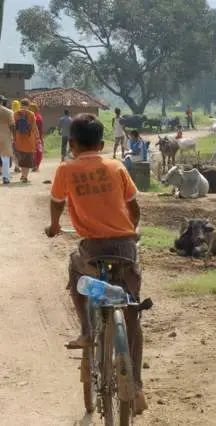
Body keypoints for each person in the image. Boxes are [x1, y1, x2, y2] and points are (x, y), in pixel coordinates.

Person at [44, 113, 147, 414]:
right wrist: (132, 230)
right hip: (126, 248)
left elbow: (56, 201)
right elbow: (134, 207)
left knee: (76, 269)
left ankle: (88, 330)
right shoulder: (116, 166)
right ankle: (137, 387)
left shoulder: (66, 168)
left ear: (72, 143)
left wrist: (53, 226)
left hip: (92, 250)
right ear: (102, 144)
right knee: (132, 313)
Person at [12, 99, 37, 183]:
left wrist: (14, 137)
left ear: (21, 104)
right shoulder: (31, 114)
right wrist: (37, 138)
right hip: (29, 140)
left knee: (21, 158)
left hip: (19, 140)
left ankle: (22, 175)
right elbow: (33, 127)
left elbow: (14, 127)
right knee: (28, 158)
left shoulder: (15, 114)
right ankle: (25, 176)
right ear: (28, 105)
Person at [0, 96, 14, 184]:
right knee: (5, 158)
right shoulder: (9, 112)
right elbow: (12, 125)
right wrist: (14, 136)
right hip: (5, 135)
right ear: (1, 101)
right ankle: (5, 177)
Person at [29, 103, 45, 172]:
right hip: (36, 136)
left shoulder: (35, 117)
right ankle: (35, 165)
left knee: (37, 151)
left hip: (35, 136)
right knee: (37, 152)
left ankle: (36, 165)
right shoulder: (37, 116)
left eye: (30, 108)